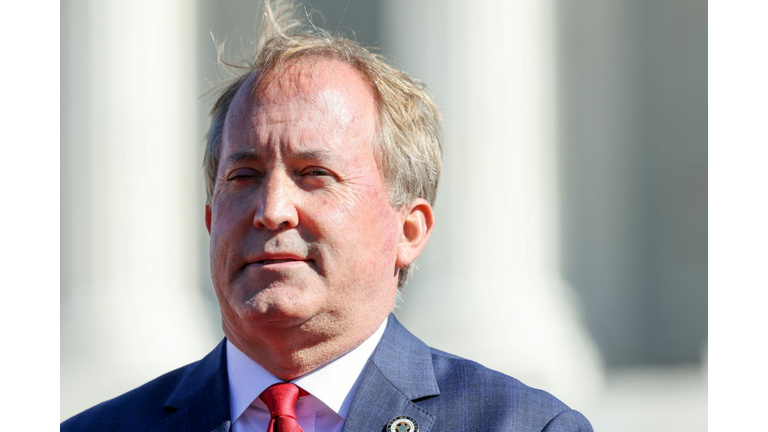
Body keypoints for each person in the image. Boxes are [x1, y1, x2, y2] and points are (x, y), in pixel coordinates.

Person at [61, 2, 593, 431]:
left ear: (409, 230)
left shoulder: (519, 425)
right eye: (243, 177)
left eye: (313, 173)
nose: (271, 211)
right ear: (209, 220)